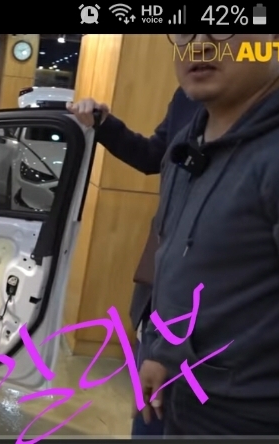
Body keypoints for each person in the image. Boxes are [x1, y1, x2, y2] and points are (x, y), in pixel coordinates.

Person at [130, 34, 279, 436]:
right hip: (178, 402)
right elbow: (177, 258)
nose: (199, 44)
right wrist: (161, 350)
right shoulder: (187, 142)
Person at [68, 88, 200, 437]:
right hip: (161, 298)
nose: (198, 59)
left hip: (218, 323)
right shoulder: (188, 98)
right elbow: (153, 155)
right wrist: (103, 124)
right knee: (150, 420)